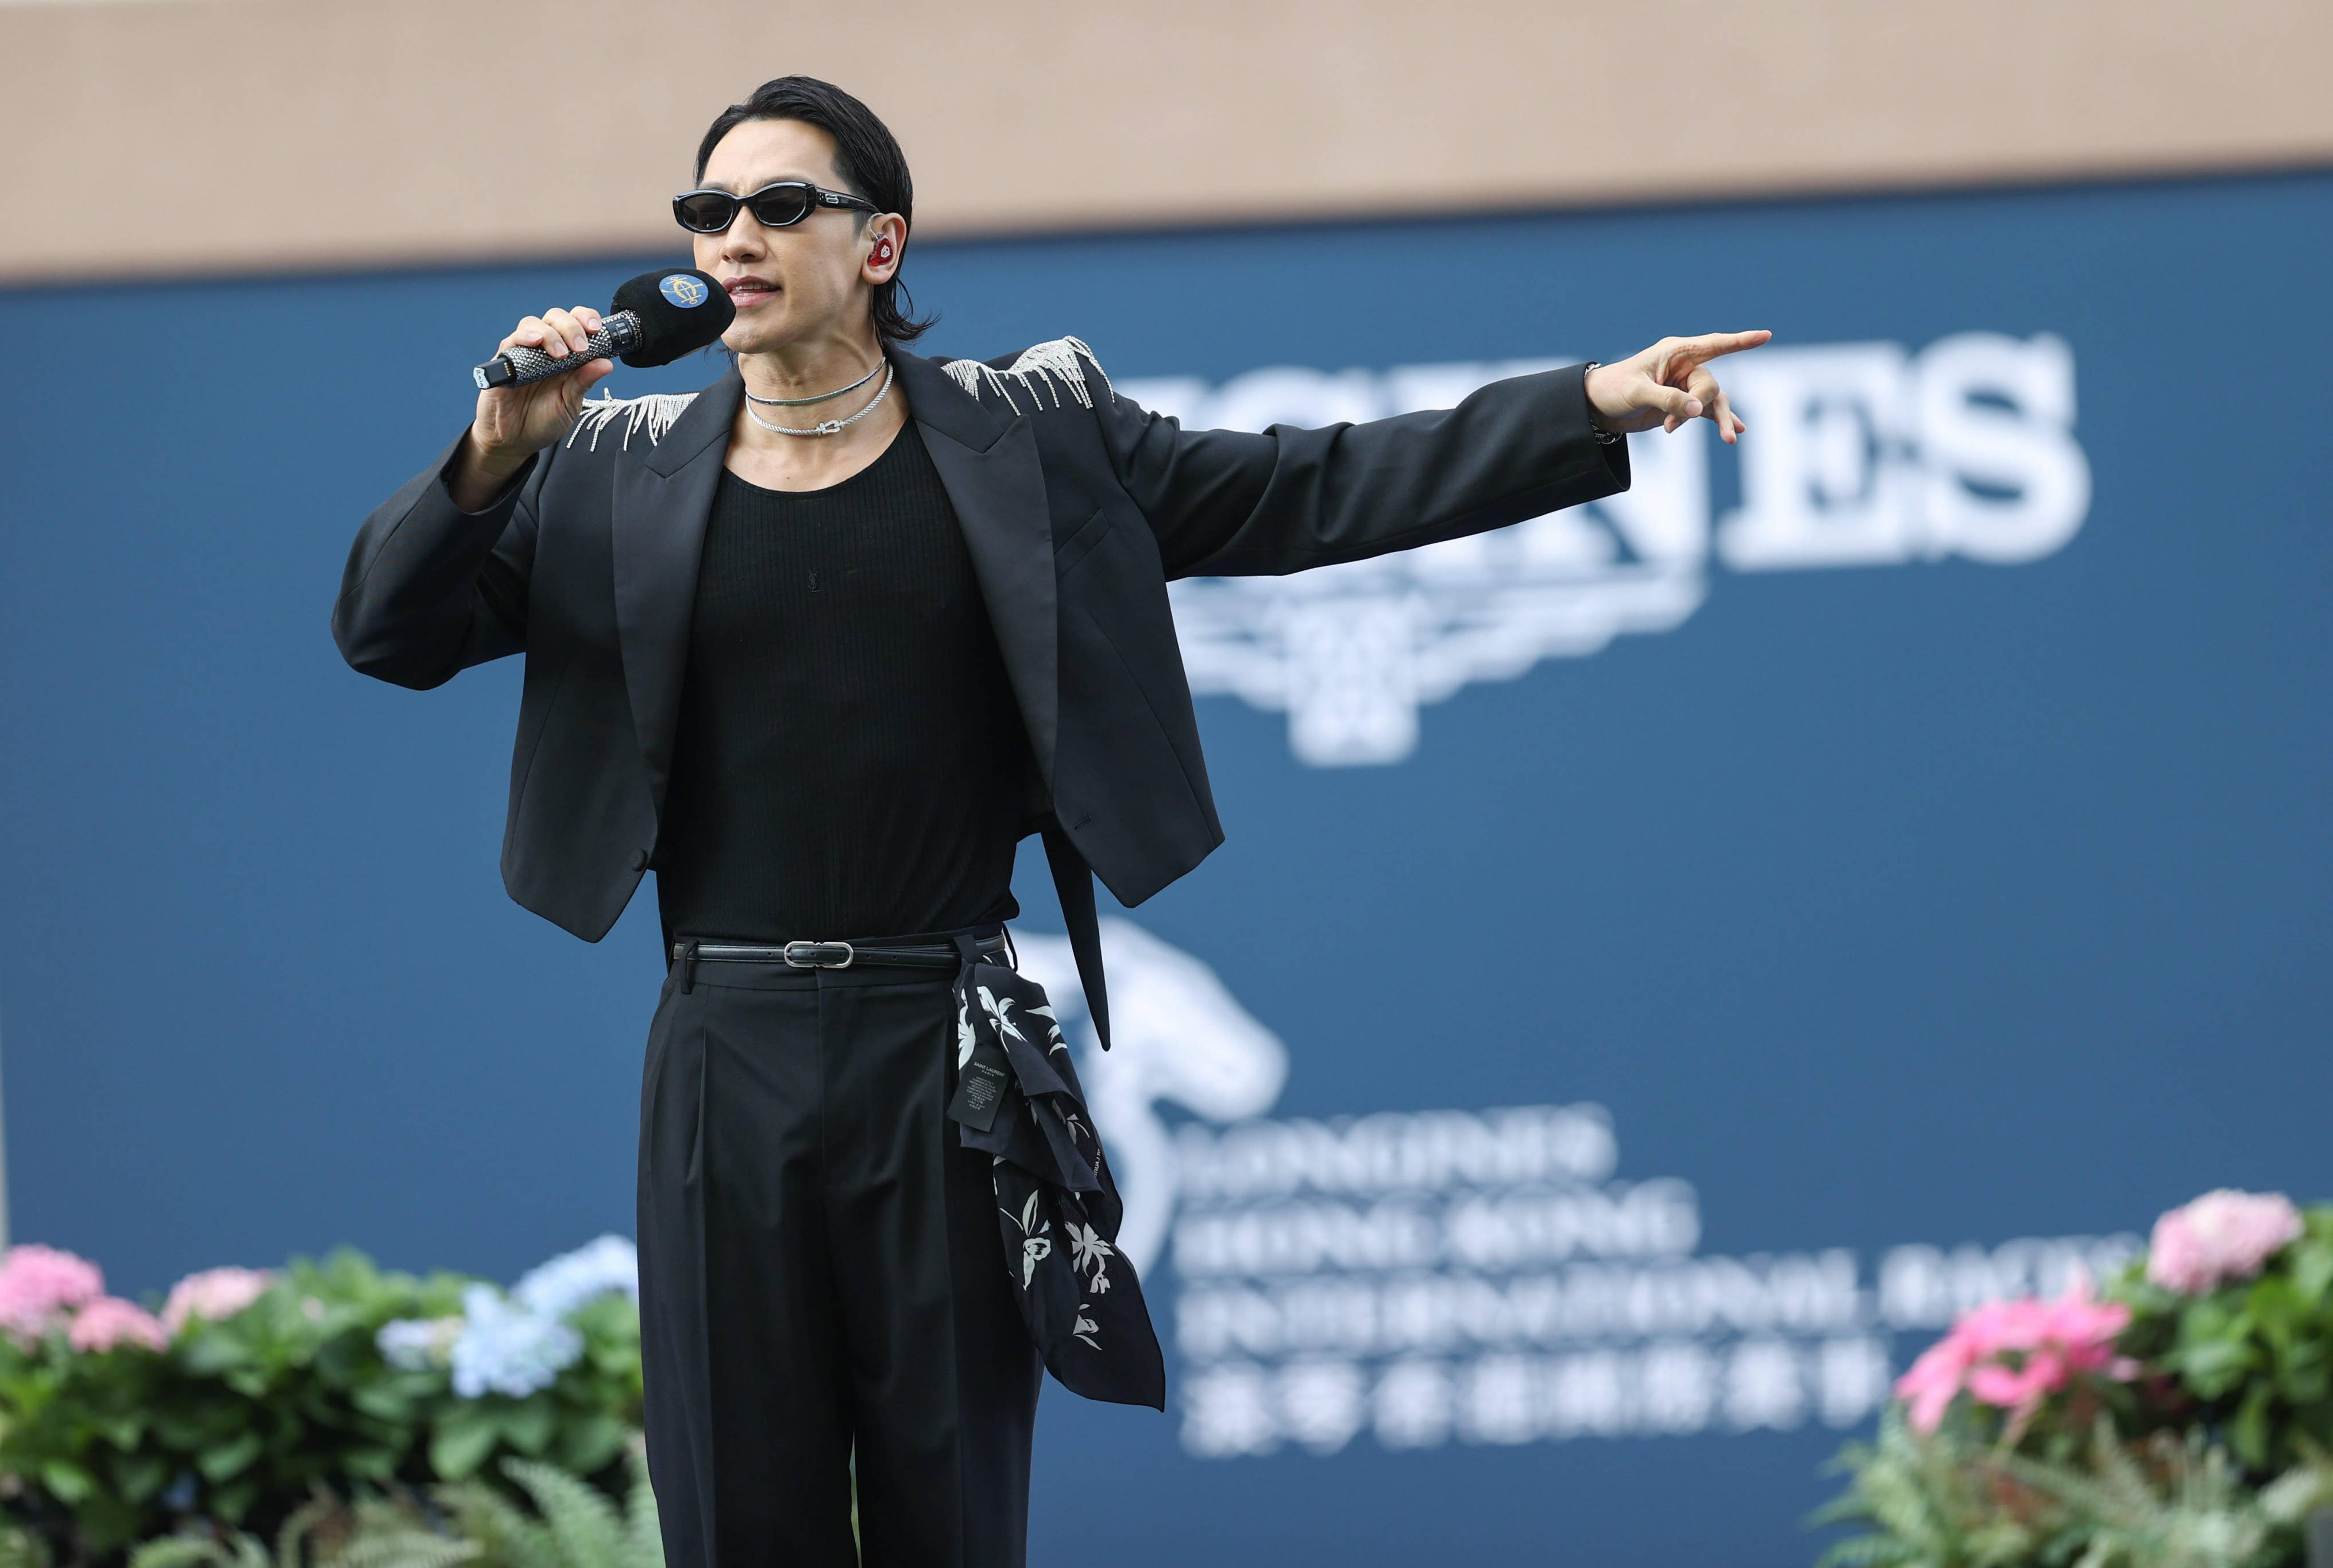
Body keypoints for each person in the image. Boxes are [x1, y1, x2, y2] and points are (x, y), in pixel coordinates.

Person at [334, 74, 1767, 1568]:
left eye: (777, 205)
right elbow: (387, 625)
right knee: (736, 1526)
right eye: (707, 212)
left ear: (880, 244)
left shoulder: (1028, 433)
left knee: (949, 1517)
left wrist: (1588, 402)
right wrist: (493, 450)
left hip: (946, 1052)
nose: (732, 236)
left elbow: (1306, 486)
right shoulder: (612, 469)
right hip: (721, 1048)